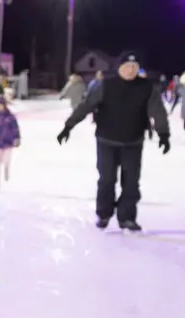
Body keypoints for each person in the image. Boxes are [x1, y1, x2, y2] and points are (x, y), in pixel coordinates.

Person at [58, 51, 170, 231]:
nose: (131, 70)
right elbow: (86, 106)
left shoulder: (147, 87)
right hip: (106, 140)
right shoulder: (105, 85)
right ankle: (103, 213)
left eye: (134, 67)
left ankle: (127, 217)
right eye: (127, 66)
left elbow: (158, 111)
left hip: (133, 142)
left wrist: (163, 134)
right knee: (107, 180)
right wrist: (68, 126)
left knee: (131, 182)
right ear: (119, 68)